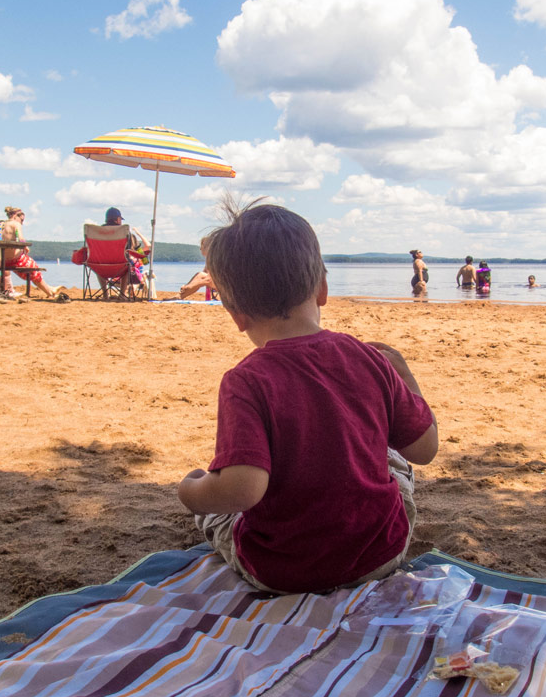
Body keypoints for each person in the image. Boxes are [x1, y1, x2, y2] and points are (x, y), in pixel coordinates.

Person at [178, 199, 438, 595]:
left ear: (235, 314)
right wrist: (406, 378)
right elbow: (425, 448)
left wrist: (192, 491)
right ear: (322, 289)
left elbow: (243, 489)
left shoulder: (245, 381)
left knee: (216, 515)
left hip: (283, 571)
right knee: (396, 461)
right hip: (379, 554)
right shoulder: (368, 358)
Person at [0, 207, 68, 301]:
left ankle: (50, 289)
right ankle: (50, 293)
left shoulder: (1, 225)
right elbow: (21, 238)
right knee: (34, 270)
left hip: (5, 261)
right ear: (15, 216)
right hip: (15, 260)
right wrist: (24, 246)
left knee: (33, 270)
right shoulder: (16, 224)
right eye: (22, 220)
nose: (22, 222)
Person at [103, 206, 151, 299]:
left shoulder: (98, 232)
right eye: (120, 219)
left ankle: (105, 294)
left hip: (101, 266)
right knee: (126, 265)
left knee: (99, 268)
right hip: (120, 267)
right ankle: (122, 294)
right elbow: (135, 250)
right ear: (117, 219)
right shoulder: (125, 233)